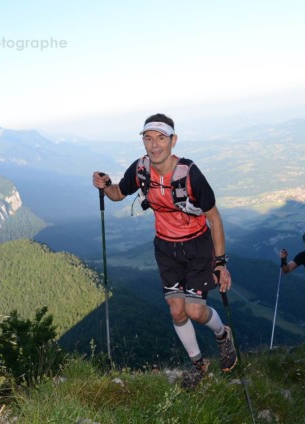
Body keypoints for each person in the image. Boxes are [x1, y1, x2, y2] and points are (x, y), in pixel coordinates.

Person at [92, 113, 237, 385]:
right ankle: (199, 365)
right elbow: (117, 194)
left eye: (161, 138)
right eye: (148, 138)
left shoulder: (190, 174)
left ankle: (222, 334)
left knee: (195, 311)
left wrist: (220, 262)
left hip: (197, 247)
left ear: (173, 141)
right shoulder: (141, 169)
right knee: (176, 310)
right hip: (166, 248)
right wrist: (104, 183)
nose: (154, 145)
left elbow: (213, 217)